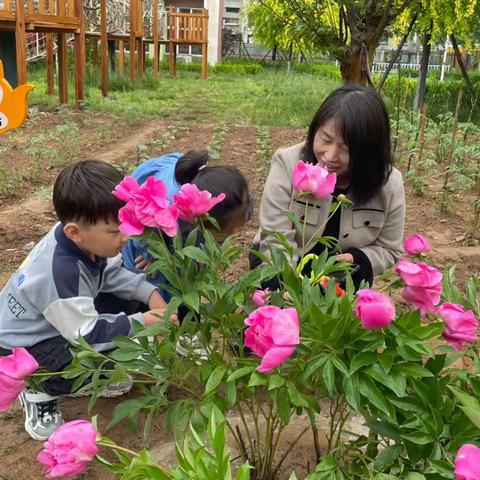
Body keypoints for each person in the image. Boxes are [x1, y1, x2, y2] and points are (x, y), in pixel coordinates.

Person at [0, 160, 174, 441]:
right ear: (74, 231)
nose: (125, 236)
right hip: (21, 348)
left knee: (128, 306)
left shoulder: (83, 241)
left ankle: (91, 375)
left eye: (125, 225)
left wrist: (151, 295)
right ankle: (39, 389)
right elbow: (87, 335)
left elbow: (113, 273)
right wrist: (143, 321)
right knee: (100, 356)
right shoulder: (61, 273)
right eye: (114, 231)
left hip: (57, 321)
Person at [252, 85, 405, 289]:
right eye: (326, 139)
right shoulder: (288, 164)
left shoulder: (389, 184)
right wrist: (285, 291)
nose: (331, 156)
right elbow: (275, 237)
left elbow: (389, 249)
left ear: (370, 152)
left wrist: (359, 260)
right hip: (281, 270)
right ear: (315, 128)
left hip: (344, 280)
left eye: (347, 149)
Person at [122, 150, 253, 302]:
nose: (237, 231)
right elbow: (140, 222)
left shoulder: (237, 200)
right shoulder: (170, 207)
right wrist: (150, 253)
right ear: (197, 220)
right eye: (226, 233)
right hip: (147, 209)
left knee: (192, 268)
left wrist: (199, 256)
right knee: (163, 275)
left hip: (183, 180)